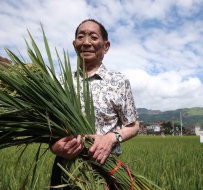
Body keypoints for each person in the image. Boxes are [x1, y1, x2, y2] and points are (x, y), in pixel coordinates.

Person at [50, 19, 139, 189]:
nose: (86, 42)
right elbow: (49, 128)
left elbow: (133, 126)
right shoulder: (61, 83)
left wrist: (111, 138)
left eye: (93, 37)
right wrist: (55, 147)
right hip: (66, 169)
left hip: (105, 168)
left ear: (106, 46)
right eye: (80, 36)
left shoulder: (119, 82)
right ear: (74, 43)